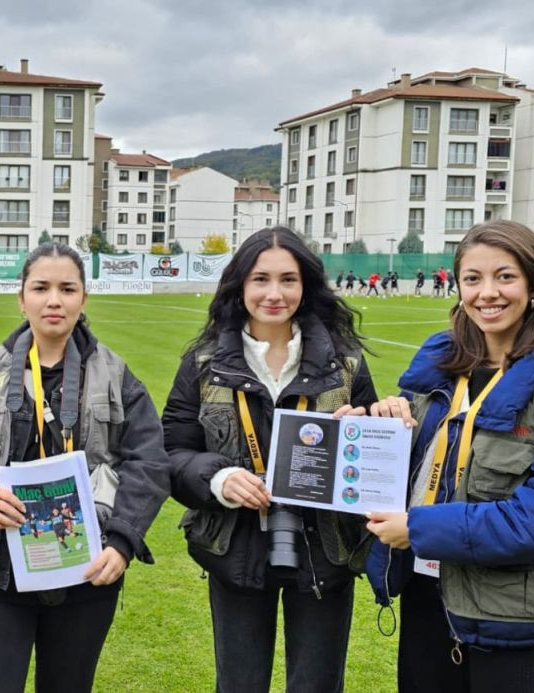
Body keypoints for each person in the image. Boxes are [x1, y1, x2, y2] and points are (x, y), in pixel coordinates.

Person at [366, 220, 534, 693]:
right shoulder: (438, 369)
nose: (487, 293)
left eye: (505, 276)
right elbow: (413, 472)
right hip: (426, 592)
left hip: (512, 612)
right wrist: (375, 428)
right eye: (472, 278)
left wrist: (417, 528)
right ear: (457, 287)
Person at [0, 243, 170, 693]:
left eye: (66, 288)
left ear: (83, 299)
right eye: (41, 288)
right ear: (22, 299)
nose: (53, 300)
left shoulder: (116, 375)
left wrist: (121, 541)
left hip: (86, 569)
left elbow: (148, 462)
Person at [164, 226, 379, 693]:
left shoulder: (345, 365)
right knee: (239, 684)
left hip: (326, 552)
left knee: (318, 685)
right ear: (240, 286)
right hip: (235, 549)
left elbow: (374, 463)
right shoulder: (203, 364)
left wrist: (364, 431)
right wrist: (219, 480)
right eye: (261, 279)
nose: (275, 294)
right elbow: (173, 452)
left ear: (307, 286)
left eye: (289, 279)